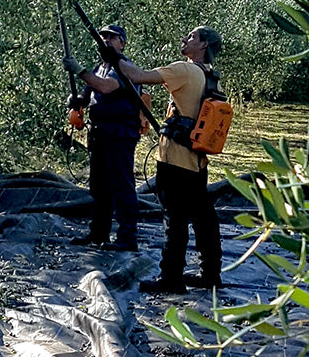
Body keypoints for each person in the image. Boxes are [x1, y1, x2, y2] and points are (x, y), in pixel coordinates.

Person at [113, 26, 223, 295]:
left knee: (174, 219)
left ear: (203, 44)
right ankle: (211, 274)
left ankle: (171, 278)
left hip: (175, 160)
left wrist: (114, 57)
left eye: (192, 37)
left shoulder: (184, 70)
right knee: (203, 217)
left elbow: (137, 76)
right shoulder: (212, 78)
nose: (185, 39)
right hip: (197, 161)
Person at [64, 23, 141, 253]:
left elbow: (106, 88)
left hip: (120, 133)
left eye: (112, 37)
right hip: (99, 134)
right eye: (103, 36)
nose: (106, 40)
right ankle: (99, 233)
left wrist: (79, 71)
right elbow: (88, 96)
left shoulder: (125, 68)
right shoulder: (99, 68)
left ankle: (128, 238)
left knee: (122, 187)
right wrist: (76, 100)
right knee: (99, 188)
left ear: (122, 43)